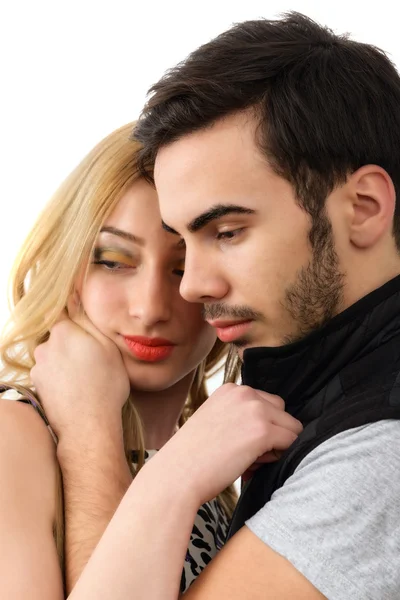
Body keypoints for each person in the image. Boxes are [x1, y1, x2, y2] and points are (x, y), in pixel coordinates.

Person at [40, 11, 400, 600]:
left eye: (227, 232)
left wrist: (104, 446)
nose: (189, 288)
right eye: (185, 241)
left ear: (362, 206)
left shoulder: (377, 457)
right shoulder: (317, 400)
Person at [0, 122, 246, 599]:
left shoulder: (215, 473)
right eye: (113, 260)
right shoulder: (13, 436)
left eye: (182, 267)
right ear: (67, 265)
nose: (150, 308)